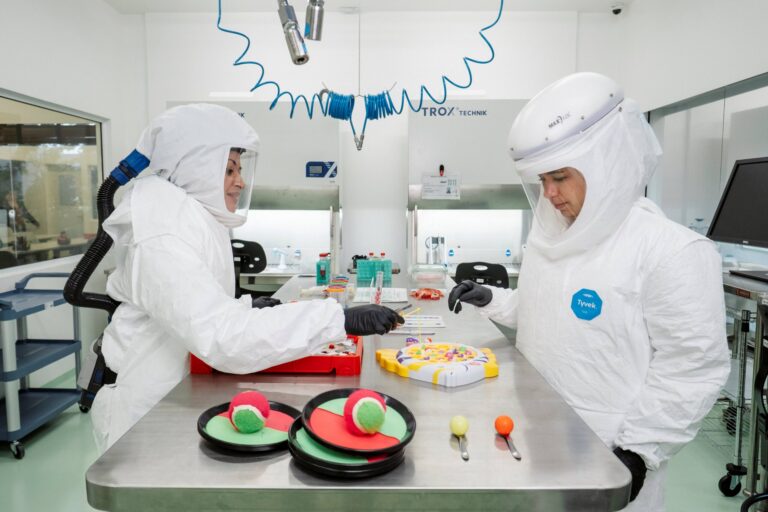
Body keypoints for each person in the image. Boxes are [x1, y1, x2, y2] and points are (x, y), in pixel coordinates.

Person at [448, 72, 730, 511]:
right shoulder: (552, 238)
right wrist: (492, 299)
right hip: (534, 436)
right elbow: (543, 314)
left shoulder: (671, 251)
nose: (550, 194)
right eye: (542, 180)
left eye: (560, 177)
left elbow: (691, 370)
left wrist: (636, 454)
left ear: (608, 164)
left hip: (610, 453)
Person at [91, 104, 403, 452]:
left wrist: (242, 307)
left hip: (178, 391)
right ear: (194, 166)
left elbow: (198, 309)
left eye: (239, 169)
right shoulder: (163, 233)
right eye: (228, 170)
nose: (240, 181)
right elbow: (222, 337)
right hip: (149, 413)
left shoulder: (188, 216)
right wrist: (337, 319)